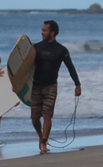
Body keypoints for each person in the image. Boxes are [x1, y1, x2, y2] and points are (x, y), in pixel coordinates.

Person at [31, 20, 81, 153]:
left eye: (45, 30)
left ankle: (43, 142)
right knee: (35, 118)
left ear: (52, 32)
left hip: (51, 86)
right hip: (35, 86)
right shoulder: (35, 48)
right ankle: (41, 137)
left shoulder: (61, 50)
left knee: (47, 115)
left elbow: (71, 67)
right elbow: (24, 68)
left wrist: (77, 84)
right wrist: (18, 86)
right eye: (42, 30)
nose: (42, 32)